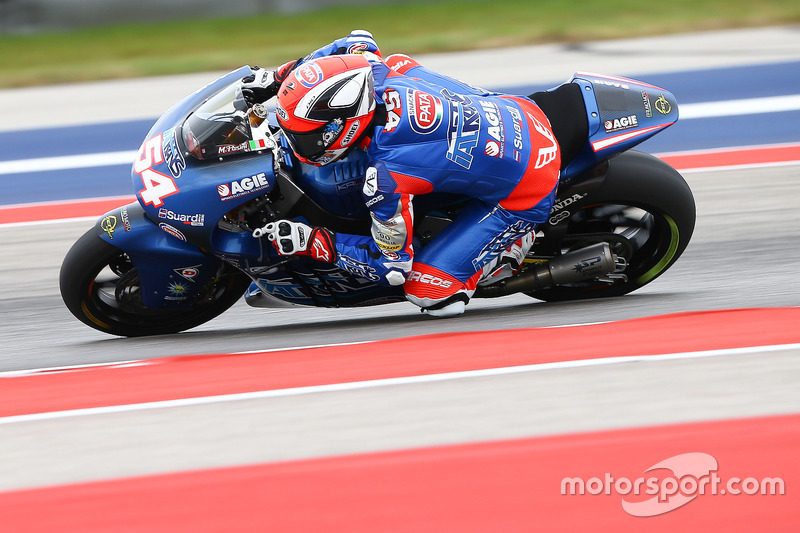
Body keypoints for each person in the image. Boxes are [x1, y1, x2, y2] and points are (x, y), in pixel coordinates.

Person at [243, 30, 560, 317]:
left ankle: (512, 246)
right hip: (516, 110)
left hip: (529, 182)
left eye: (308, 138)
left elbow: (392, 268)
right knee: (399, 64)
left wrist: (313, 241)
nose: (298, 145)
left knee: (430, 294)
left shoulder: (386, 177)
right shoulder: (372, 71)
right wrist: (278, 78)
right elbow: (357, 39)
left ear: (346, 122)